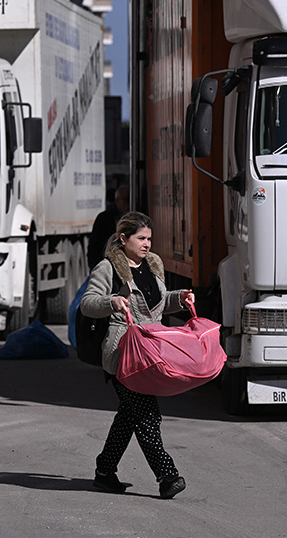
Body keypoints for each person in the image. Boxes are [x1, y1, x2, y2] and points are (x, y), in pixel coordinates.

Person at [80, 211, 194, 499]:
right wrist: (112, 301)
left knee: (129, 415)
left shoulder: (153, 265)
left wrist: (179, 297)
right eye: (141, 238)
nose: (147, 244)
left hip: (150, 351)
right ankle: (167, 476)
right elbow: (87, 304)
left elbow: (157, 304)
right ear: (123, 238)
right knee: (146, 414)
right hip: (122, 353)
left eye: (149, 239)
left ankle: (105, 471)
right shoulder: (109, 268)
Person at [87, 184, 130, 270]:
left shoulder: (134, 219)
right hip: (107, 265)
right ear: (117, 200)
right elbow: (94, 245)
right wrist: (95, 266)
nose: (129, 203)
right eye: (127, 200)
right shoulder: (104, 218)